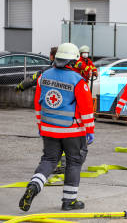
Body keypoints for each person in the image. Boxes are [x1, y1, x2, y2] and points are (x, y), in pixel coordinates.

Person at [19, 43, 95, 212]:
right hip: (72, 131)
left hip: (49, 129)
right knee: (74, 162)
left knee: (49, 160)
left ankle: (34, 185)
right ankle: (69, 201)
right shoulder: (78, 81)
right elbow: (87, 109)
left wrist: (41, 126)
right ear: (73, 61)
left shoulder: (43, 76)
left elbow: (38, 104)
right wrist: (90, 131)